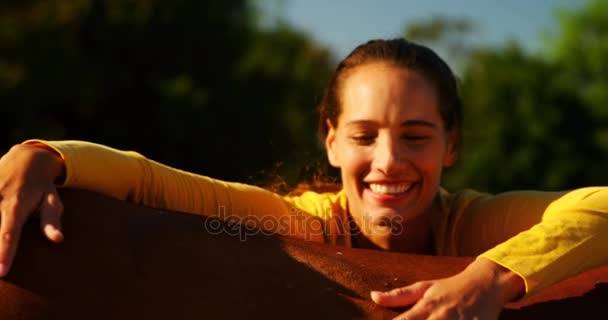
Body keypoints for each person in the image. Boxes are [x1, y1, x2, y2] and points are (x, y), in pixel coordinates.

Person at [1, 38, 607, 320]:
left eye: (416, 136)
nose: (390, 160)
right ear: (331, 139)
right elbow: (148, 182)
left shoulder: (471, 221)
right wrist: (43, 156)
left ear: (453, 146)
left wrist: (491, 277)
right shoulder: (297, 222)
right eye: (365, 135)